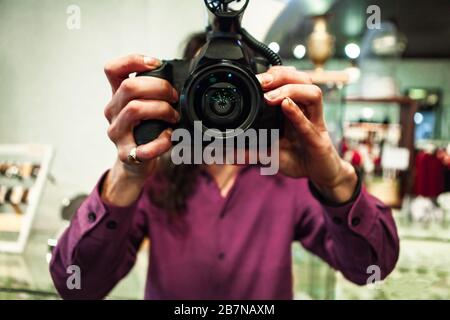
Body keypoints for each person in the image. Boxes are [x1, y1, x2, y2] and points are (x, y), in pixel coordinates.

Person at [49, 32, 399, 300]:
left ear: (261, 92)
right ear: (179, 95)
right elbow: (77, 285)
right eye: (204, 90)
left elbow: (372, 268)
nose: (221, 105)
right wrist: (126, 174)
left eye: (236, 89)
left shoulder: (287, 174)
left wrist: (335, 177)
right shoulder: (154, 178)